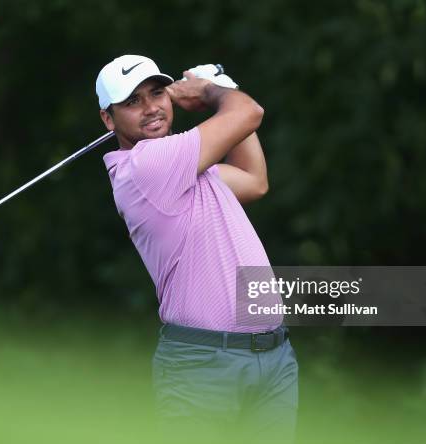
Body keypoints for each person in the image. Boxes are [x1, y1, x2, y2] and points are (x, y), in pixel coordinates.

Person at [96, 55, 298, 442]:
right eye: (132, 101)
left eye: (157, 93)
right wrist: (210, 90)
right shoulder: (147, 166)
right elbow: (249, 113)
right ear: (108, 119)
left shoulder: (186, 166)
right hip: (204, 364)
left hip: (272, 356)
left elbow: (254, 181)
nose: (151, 107)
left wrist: (228, 90)